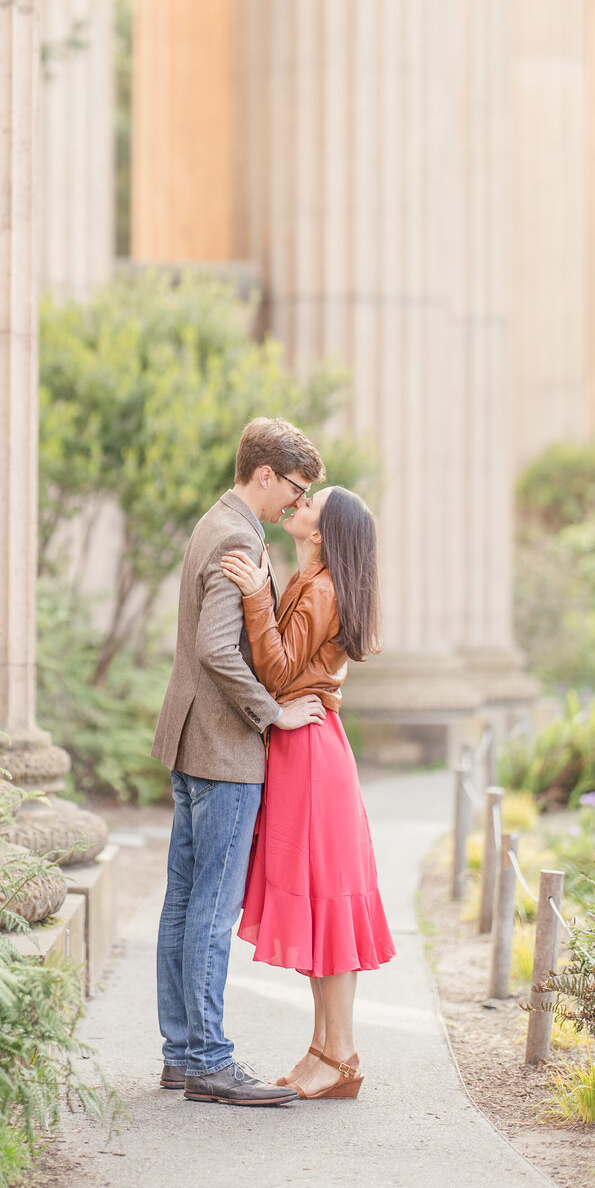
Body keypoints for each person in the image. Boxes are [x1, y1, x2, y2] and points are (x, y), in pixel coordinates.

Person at [152, 417, 328, 1107]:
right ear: (265, 475)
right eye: (295, 487)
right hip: (223, 748)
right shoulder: (237, 534)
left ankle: (180, 1052)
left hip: (192, 740)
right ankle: (208, 1061)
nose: (297, 501)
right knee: (211, 907)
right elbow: (218, 651)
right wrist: (274, 713)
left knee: (183, 902)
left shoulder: (217, 520)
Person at [221, 483, 395, 1101]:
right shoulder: (310, 581)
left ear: (322, 534)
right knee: (320, 904)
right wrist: (265, 589)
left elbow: (275, 669)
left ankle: (342, 1055)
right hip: (305, 748)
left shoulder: (321, 590)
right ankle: (324, 1048)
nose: (299, 504)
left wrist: (251, 596)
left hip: (311, 752)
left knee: (327, 900)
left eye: (311, 503)